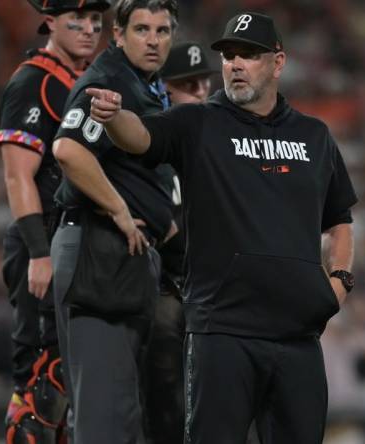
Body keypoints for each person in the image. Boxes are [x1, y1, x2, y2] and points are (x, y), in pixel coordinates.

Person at [86, 11, 358, 443]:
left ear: (278, 61)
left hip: (298, 337)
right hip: (222, 332)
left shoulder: (315, 136)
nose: (234, 63)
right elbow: (140, 137)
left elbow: (340, 220)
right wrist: (114, 117)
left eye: (248, 55)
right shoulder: (198, 122)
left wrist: (339, 282)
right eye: (230, 55)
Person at [49, 0, 177, 441]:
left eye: (162, 31)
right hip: (98, 251)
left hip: (124, 259)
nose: (153, 40)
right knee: (104, 420)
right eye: (142, 29)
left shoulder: (148, 85)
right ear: (118, 35)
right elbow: (69, 150)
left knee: (124, 412)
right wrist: (120, 209)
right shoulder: (109, 80)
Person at [0, 0, 108, 440]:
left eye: (96, 22)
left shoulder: (88, 81)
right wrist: (39, 254)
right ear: (49, 23)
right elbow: (17, 173)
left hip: (78, 240)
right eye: (75, 21)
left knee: (72, 384)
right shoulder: (33, 82)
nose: (88, 30)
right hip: (41, 239)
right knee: (43, 386)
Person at [143, 40, 216, 444]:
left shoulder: (220, 146)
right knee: (165, 325)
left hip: (211, 288)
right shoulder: (149, 142)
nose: (201, 91)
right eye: (189, 84)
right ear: (163, 89)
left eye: (204, 83)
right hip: (166, 285)